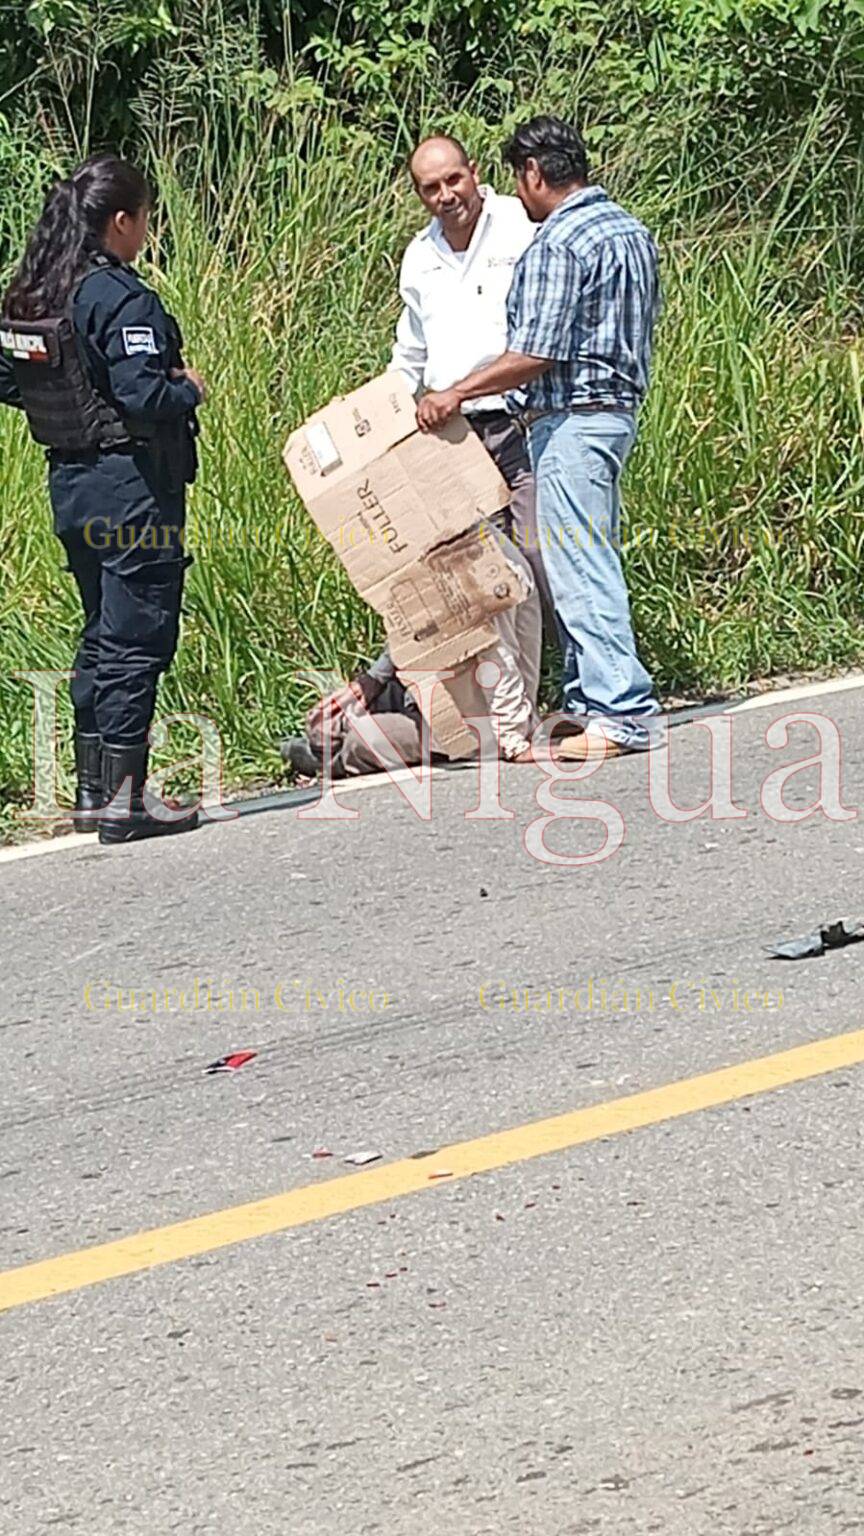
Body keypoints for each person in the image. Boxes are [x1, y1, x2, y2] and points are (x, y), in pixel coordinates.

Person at [417, 116, 663, 758]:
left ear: (533, 172)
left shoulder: (559, 240)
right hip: (615, 413)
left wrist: (457, 391)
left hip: (571, 418)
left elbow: (537, 352)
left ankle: (620, 710)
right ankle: (586, 702)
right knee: (583, 557)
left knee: (580, 568)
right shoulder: (628, 230)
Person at [0, 154, 205, 842]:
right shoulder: (120, 297)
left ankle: (94, 792)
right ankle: (124, 803)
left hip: (72, 487)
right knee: (135, 639)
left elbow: (9, 378)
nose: (145, 230)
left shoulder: (36, 293)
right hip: (131, 491)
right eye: (143, 218)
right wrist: (189, 389)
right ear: (121, 220)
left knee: (101, 633)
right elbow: (144, 394)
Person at [390, 134, 554, 625]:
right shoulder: (420, 256)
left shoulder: (521, 224)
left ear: (474, 173)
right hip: (458, 436)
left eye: (453, 180)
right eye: (431, 187)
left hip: (523, 420)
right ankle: (512, 669)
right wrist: (381, 412)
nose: (446, 195)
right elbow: (410, 351)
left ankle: (574, 662)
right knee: (485, 567)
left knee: (541, 550)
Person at [282, 524, 542, 779]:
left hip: (476, 720)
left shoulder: (487, 565)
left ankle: (330, 761)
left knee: (364, 738)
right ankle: (321, 746)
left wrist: (512, 740)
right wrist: (371, 681)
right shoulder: (436, 546)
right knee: (332, 719)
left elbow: (499, 660)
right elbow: (416, 627)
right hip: (431, 688)